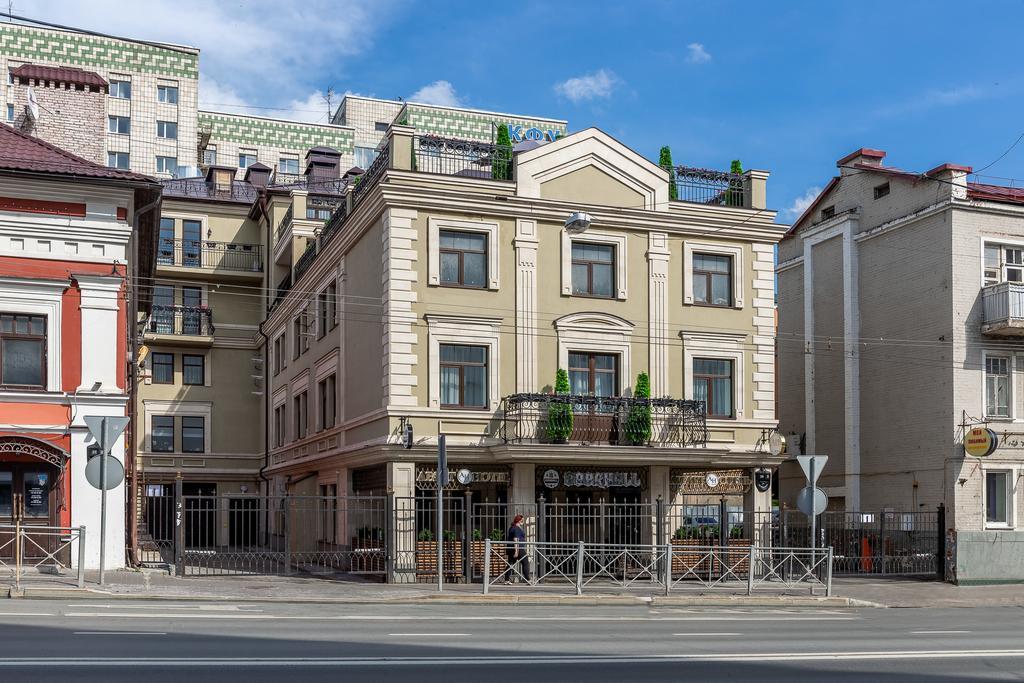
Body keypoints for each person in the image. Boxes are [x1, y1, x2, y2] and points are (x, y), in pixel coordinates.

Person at [503, 514, 530, 583]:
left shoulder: (512, 527)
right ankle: (528, 579)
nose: (523, 522)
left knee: (511, 563)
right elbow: (516, 539)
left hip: (511, 548)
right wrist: (516, 551)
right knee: (525, 562)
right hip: (518, 548)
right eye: (522, 520)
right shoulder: (517, 528)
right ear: (519, 521)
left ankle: (506, 579)